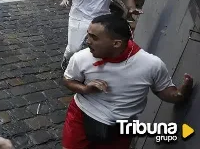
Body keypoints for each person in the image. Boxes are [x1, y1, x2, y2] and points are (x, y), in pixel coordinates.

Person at [62, 14, 194, 149]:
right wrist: (85, 89)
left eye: (94, 37)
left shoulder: (151, 65)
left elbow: (167, 93)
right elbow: (68, 80)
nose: (87, 41)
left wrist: (180, 93)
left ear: (116, 43)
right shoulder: (81, 58)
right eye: (88, 34)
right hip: (81, 117)